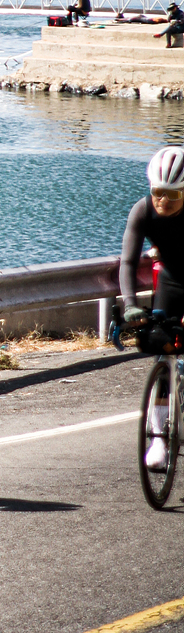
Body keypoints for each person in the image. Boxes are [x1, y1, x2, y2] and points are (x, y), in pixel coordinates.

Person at [121, 147, 184, 465]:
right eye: (159, 192)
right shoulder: (143, 211)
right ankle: (158, 440)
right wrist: (130, 305)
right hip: (172, 282)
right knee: (163, 352)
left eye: (174, 194)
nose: (164, 201)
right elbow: (128, 263)